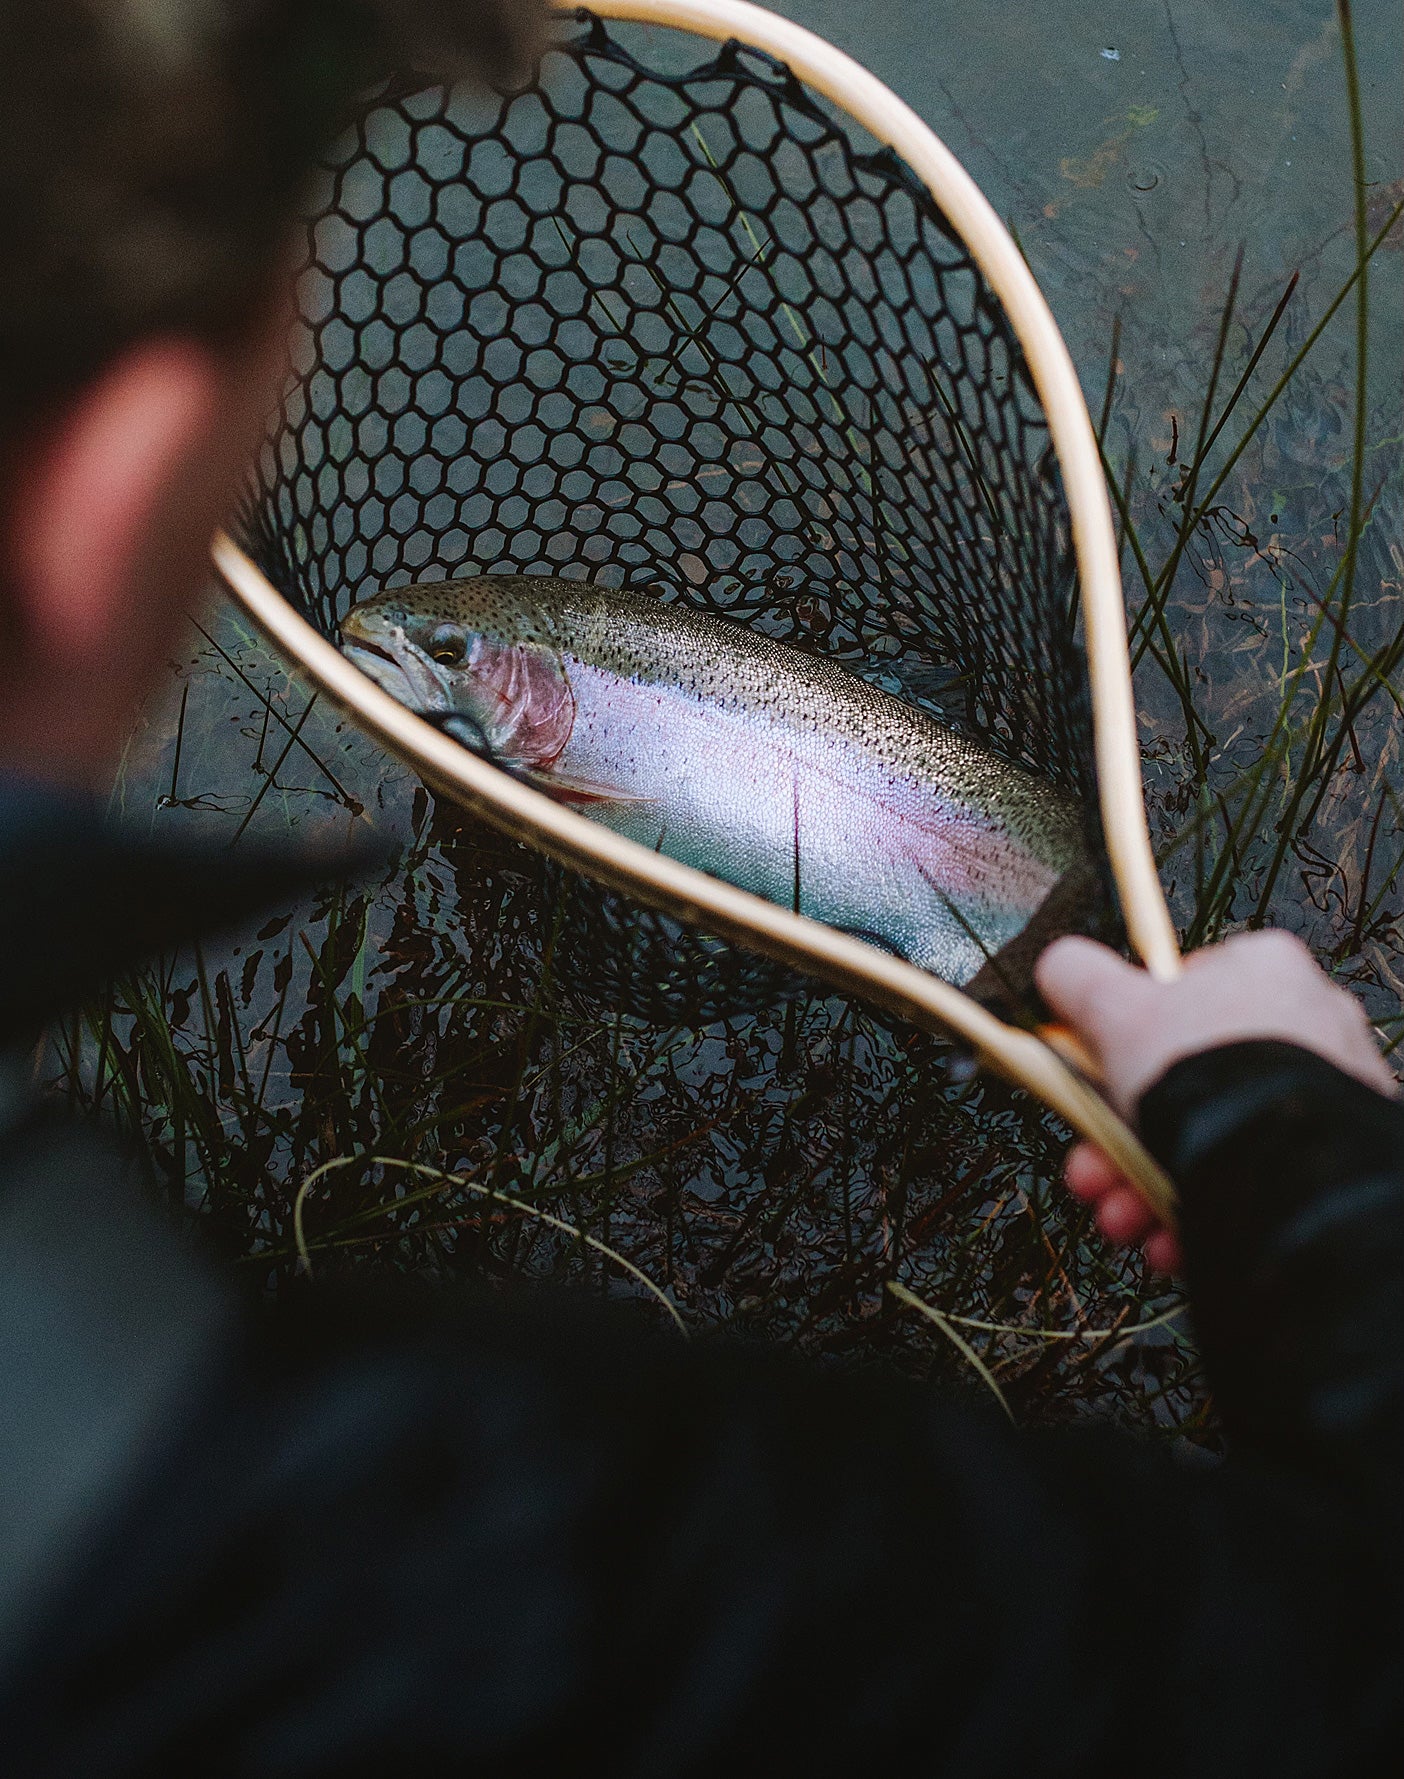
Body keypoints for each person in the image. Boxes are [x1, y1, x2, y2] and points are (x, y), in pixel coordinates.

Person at [0, 3, 1399, 1772]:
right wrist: (1334, 1205)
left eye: (445, 655)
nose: (417, 664)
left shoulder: (316, 1560)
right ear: (122, 465)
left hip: (996, 874)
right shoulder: (505, 1570)